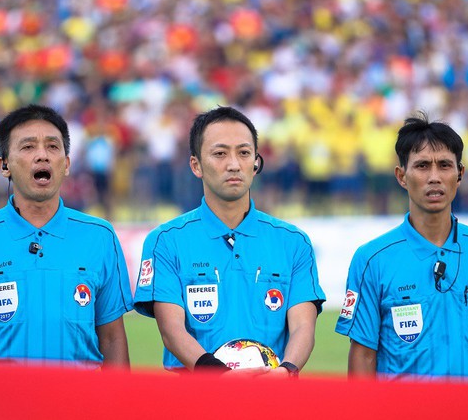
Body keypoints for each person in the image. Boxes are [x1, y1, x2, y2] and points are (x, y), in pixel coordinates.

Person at [335, 112, 468, 381]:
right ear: (401, 176)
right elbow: (363, 356)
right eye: (422, 166)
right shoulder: (372, 260)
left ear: (460, 174)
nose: (434, 177)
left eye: (444, 165)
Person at [0, 104, 133, 369]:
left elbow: (113, 338)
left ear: (67, 164)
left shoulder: (100, 236)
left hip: (80, 408)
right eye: (28, 147)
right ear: (4, 166)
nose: (42, 156)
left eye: (52, 146)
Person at [133, 105, 325, 376]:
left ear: (256, 163)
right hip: (195, 401)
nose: (234, 164)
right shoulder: (165, 241)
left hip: (271, 398)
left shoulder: (294, 242)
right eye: (220, 153)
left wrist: (286, 372)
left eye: (244, 153)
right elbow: (171, 330)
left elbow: (303, 327)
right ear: (196, 165)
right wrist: (219, 378)